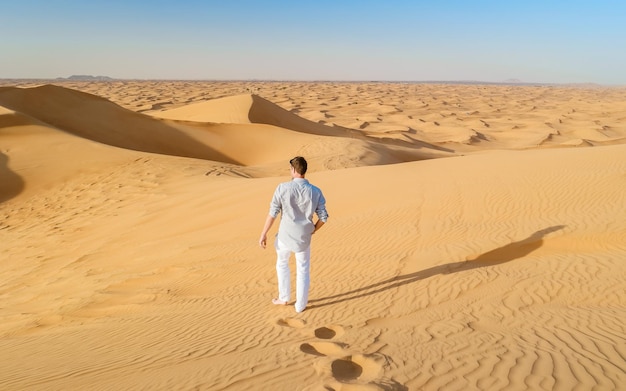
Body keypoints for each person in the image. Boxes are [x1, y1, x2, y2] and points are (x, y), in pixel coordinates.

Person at [259, 156, 328, 313]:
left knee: (282, 263)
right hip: (304, 238)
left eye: (291, 169)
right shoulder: (316, 191)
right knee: (303, 269)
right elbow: (324, 217)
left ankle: (284, 298)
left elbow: (273, 213)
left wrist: (264, 233)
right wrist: (313, 230)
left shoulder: (282, 188)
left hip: (284, 236)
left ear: (294, 170)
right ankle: (300, 306)